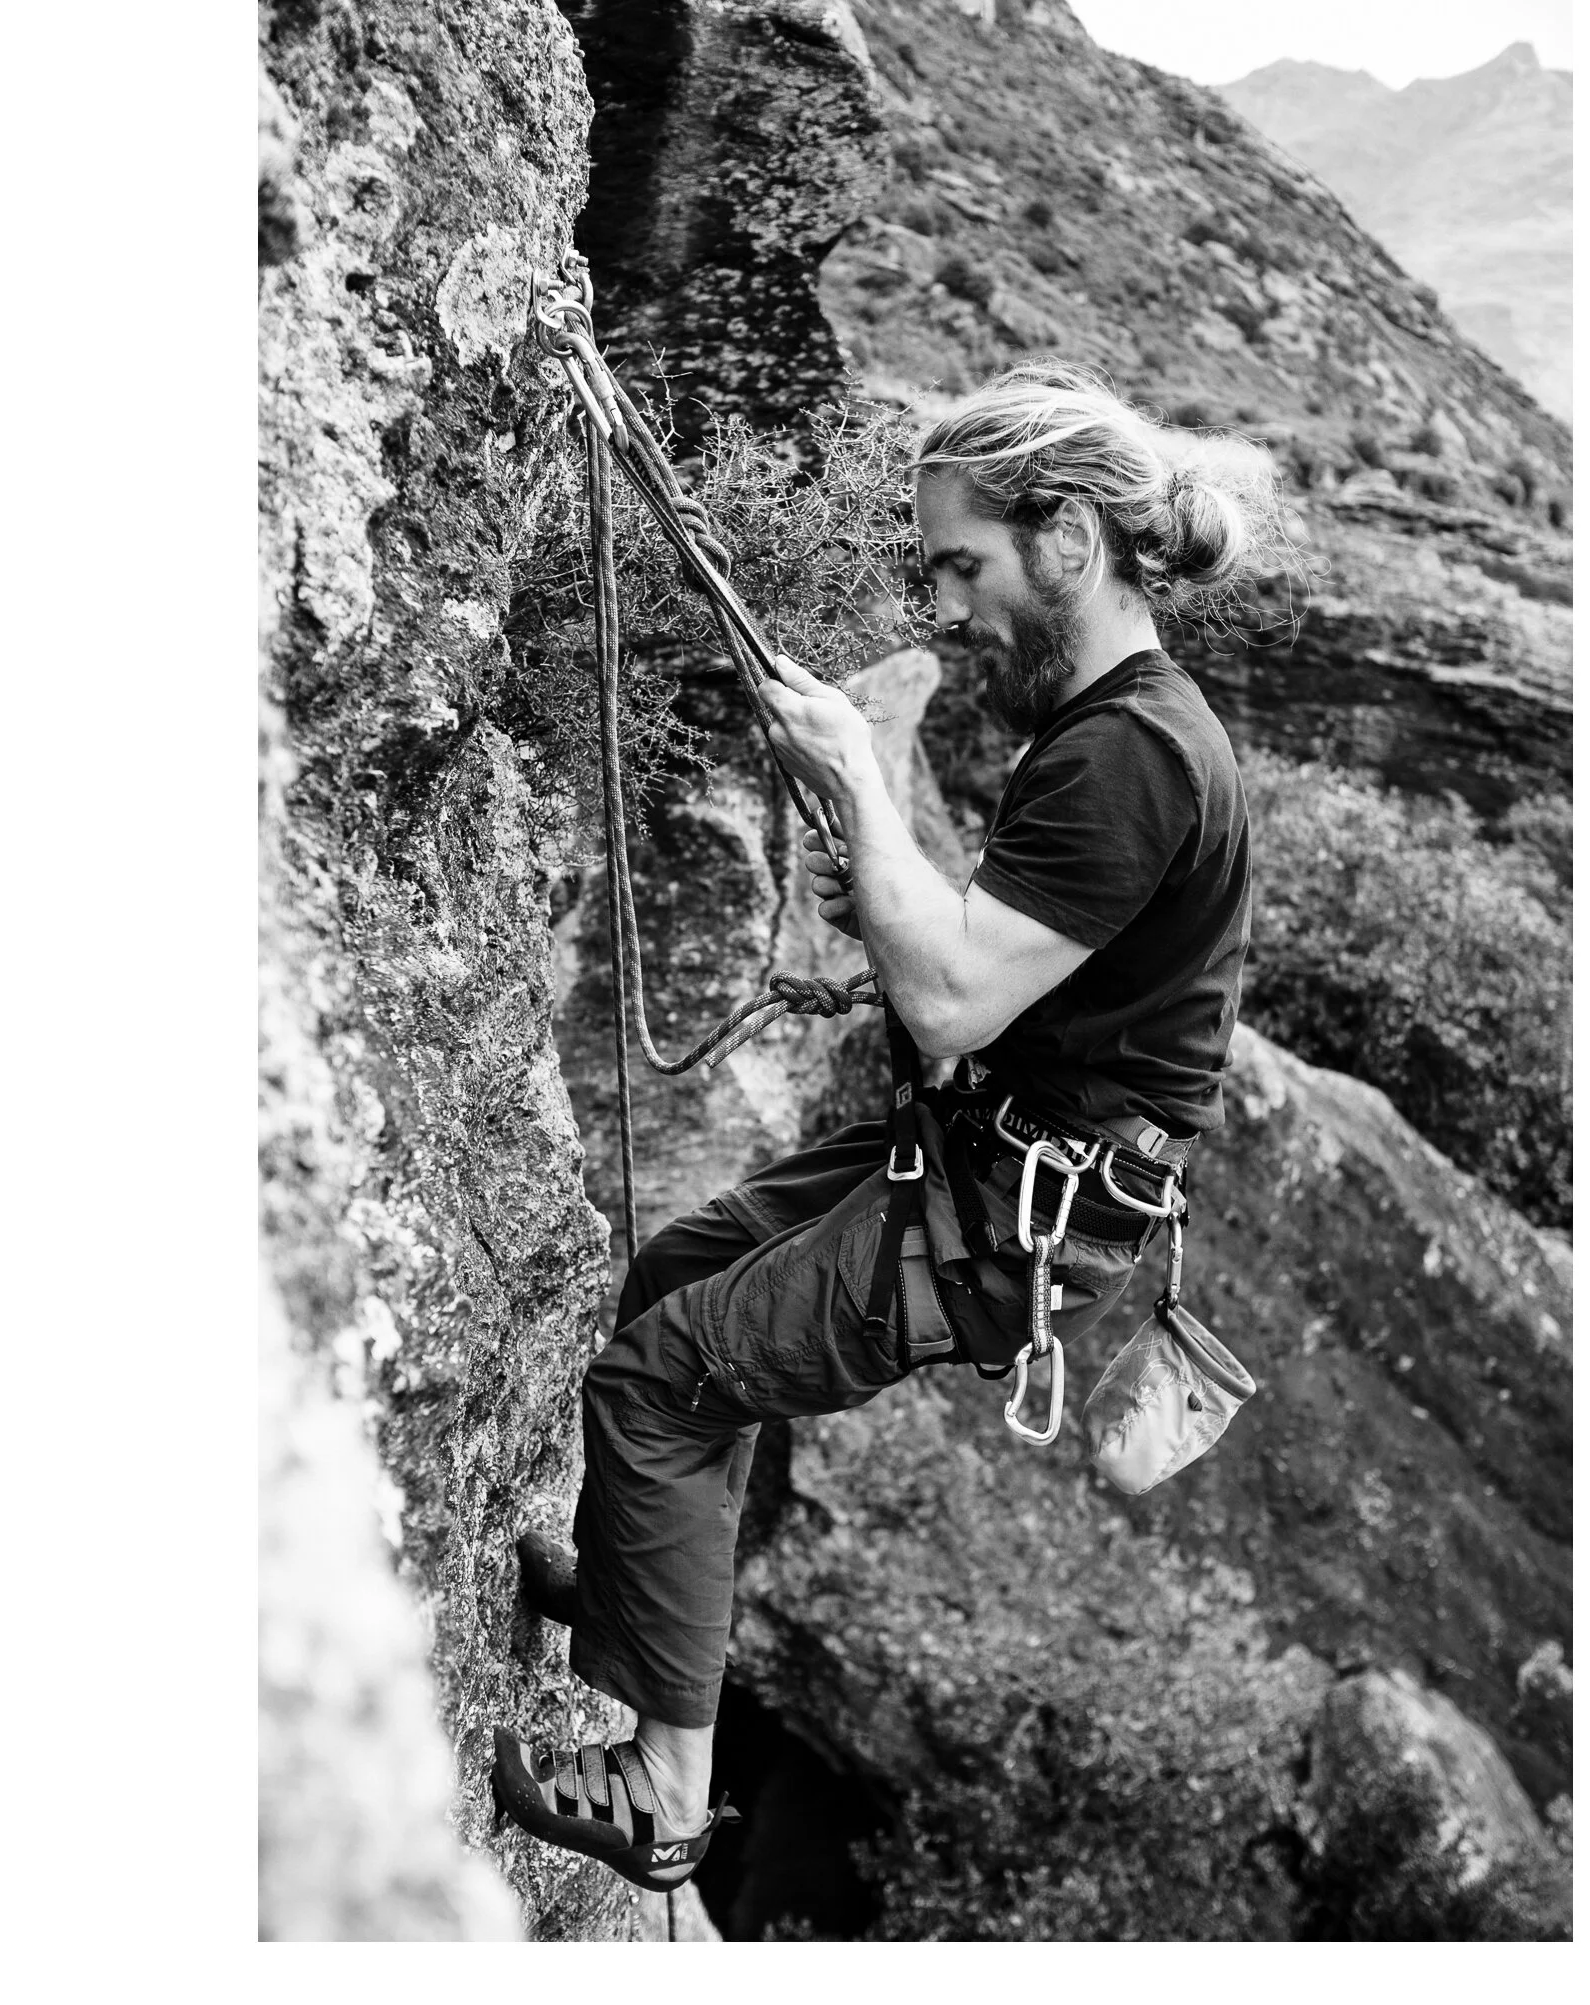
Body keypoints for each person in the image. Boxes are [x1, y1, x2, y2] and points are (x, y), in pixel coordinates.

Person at [490, 364, 1267, 1891]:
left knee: (661, 1384)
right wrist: (890, 874)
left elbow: (957, 998)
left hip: (1016, 1213)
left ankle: (661, 1792)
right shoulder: (1120, 723)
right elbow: (997, 949)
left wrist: (859, 772)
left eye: (961, 563)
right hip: (990, 1157)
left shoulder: (1132, 752)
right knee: (680, 1277)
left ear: (1069, 541)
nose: (945, 606)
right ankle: (648, 1597)